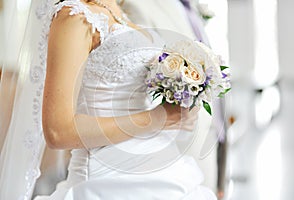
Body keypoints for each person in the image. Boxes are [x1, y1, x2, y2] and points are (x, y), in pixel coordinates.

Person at [0, 0, 219, 199]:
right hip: (105, 181)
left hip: (166, 174)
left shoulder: (123, 13)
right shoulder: (74, 17)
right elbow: (58, 132)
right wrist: (157, 118)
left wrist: (178, 106)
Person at [121, 0, 218, 191]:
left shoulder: (189, 6)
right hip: (178, 146)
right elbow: (135, 84)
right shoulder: (136, 6)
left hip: (211, 134)